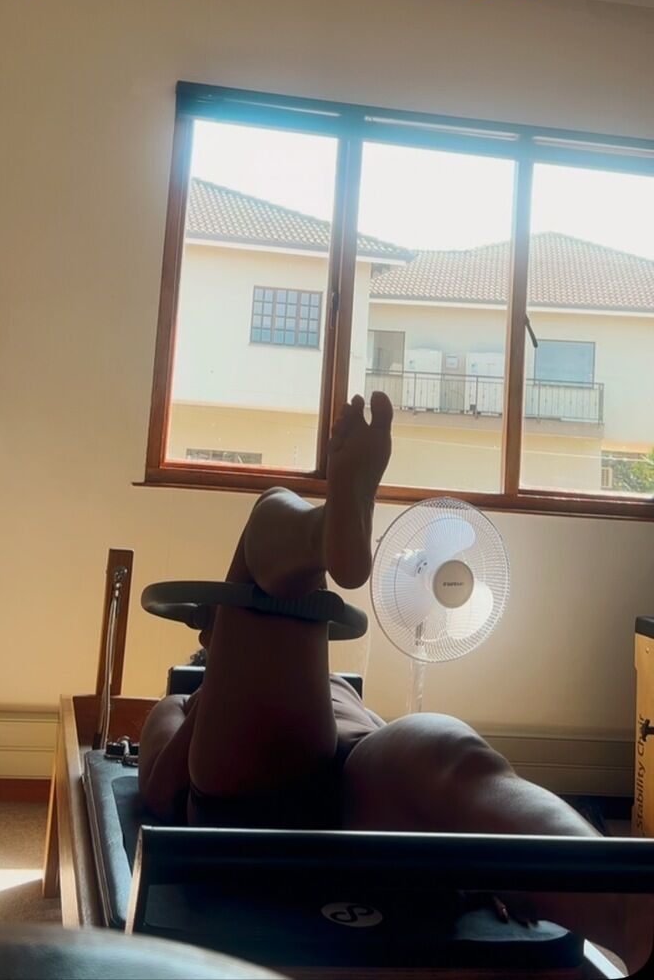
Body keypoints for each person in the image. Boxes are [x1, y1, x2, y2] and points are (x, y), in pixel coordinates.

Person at [139, 393, 652, 973]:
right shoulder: (184, 700)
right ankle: (322, 532)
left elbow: (390, 754)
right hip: (266, 802)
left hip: (362, 786)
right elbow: (158, 788)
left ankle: (640, 912)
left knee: (447, 752)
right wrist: (217, 686)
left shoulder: (322, 692)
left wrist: (485, 861)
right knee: (268, 513)